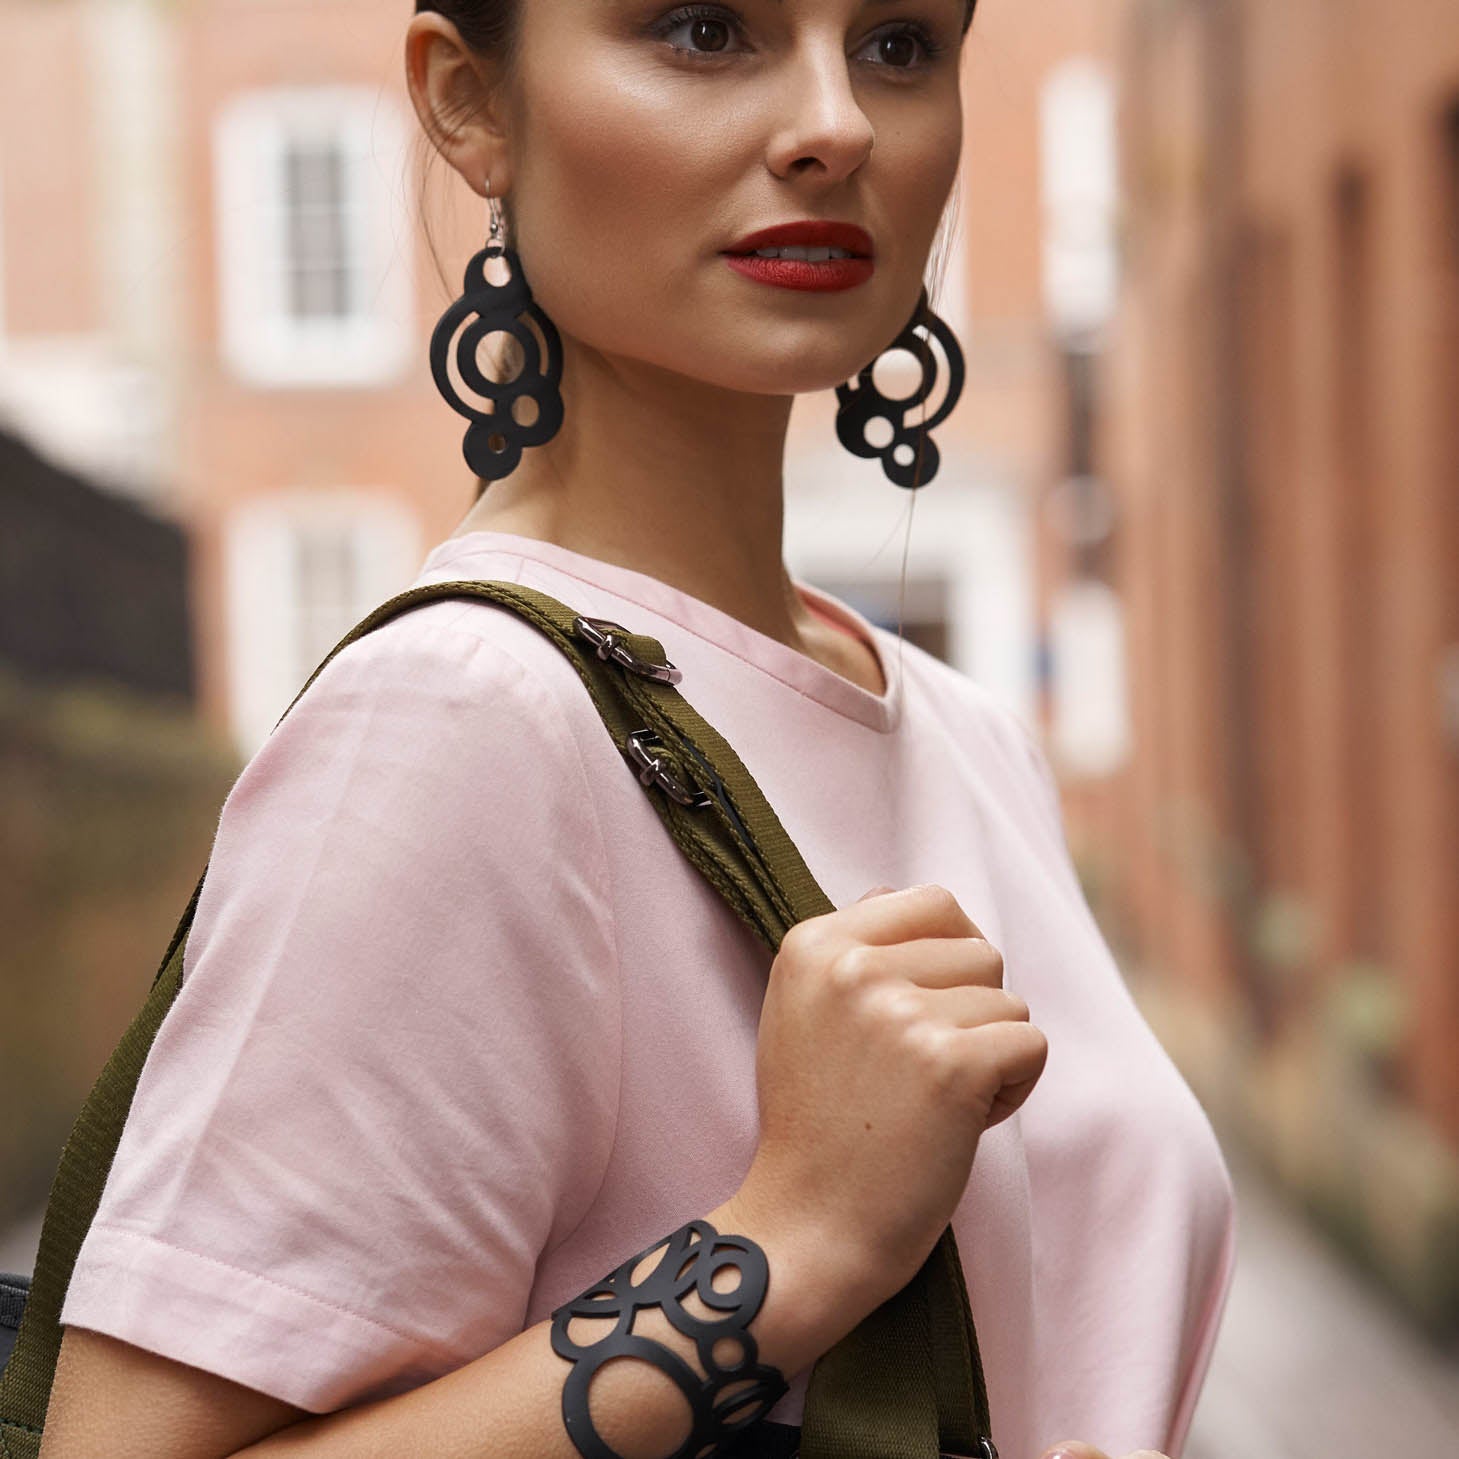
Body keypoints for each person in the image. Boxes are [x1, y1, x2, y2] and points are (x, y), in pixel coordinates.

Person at [38, 2, 1236, 1457]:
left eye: (901, 45)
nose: (839, 121)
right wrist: (787, 1247)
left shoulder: (966, 733)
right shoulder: (464, 725)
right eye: (703, 30)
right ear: (473, 102)